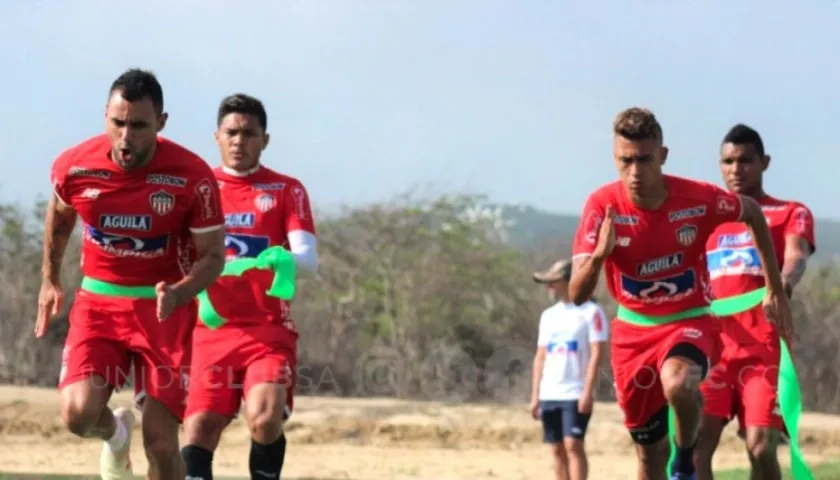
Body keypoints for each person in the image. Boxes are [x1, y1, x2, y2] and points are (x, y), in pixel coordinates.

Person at [568, 107, 792, 480]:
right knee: (648, 456)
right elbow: (577, 295)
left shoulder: (697, 198)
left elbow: (751, 211)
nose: (635, 172)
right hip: (633, 334)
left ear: (663, 156)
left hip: (689, 322)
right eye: (626, 161)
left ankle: (685, 455)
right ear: (615, 159)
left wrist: (774, 289)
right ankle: (671, 456)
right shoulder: (601, 207)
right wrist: (599, 257)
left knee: (679, 382)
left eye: (645, 159)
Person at [36, 69, 226, 480]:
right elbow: (61, 215)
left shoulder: (191, 176)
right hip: (99, 304)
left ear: (161, 122)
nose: (126, 137)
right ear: (106, 114)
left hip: (163, 312)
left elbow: (213, 257)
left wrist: (179, 293)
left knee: (160, 443)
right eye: (118, 123)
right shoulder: (74, 166)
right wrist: (50, 276)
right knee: (77, 414)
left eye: (138, 125)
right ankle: (116, 433)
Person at [181, 93, 319, 480]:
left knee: (262, 418)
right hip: (208, 331)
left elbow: (309, 261)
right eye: (231, 132)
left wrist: (282, 259)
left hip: (266, 331)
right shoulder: (197, 189)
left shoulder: (287, 190)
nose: (239, 141)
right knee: (199, 428)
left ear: (265, 139)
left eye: (248, 133)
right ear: (216, 137)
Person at [694, 124, 815, 480]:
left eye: (746, 160)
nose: (736, 169)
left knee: (760, 446)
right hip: (714, 349)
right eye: (728, 161)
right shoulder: (708, 220)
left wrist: (782, 285)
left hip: (763, 349)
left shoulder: (790, 212)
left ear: (764, 162)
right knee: (698, 444)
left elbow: (797, 256)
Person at [530, 259, 608, 480]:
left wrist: (587, 391)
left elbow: (597, 354)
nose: (550, 287)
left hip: (575, 391)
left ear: (569, 281)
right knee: (556, 448)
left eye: (554, 282)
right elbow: (540, 357)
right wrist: (535, 395)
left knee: (573, 444)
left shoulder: (592, 312)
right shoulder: (549, 316)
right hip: (549, 392)